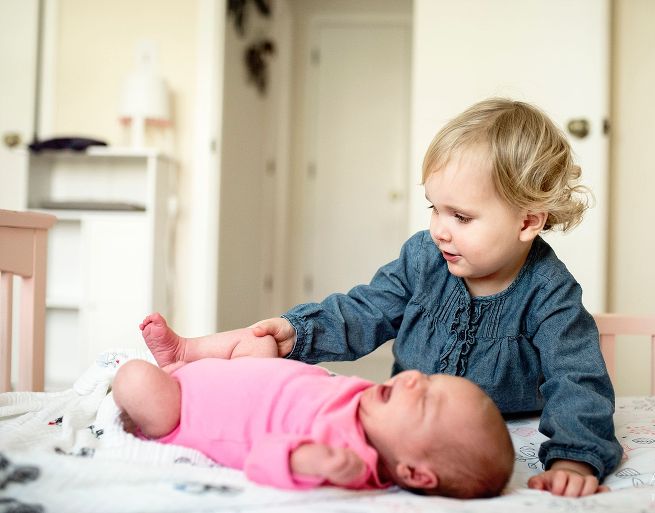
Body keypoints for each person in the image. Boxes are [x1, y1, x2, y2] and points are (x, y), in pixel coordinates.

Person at [146, 98, 620, 497]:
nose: (439, 229)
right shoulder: (423, 259)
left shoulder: (549, 291)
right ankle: (190, 363)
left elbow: (576, 378)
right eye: (435, 208)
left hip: (495, 434)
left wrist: (575, 458)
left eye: (461, 216)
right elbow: (364, 310)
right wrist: (300, 331)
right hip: (404, 425)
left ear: (527, 222)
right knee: (277, 372)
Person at [112, 321, 514, 499]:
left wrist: (308, 462)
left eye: (424, 399)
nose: (412, 379)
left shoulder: (347, 460)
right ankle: (182, 352)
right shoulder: (373, 404)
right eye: (426, 379)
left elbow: (261, 462)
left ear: (414, 472)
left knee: (133, 378)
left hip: (186, 407)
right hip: (241, 370)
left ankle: (164, 373)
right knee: (259, 339)